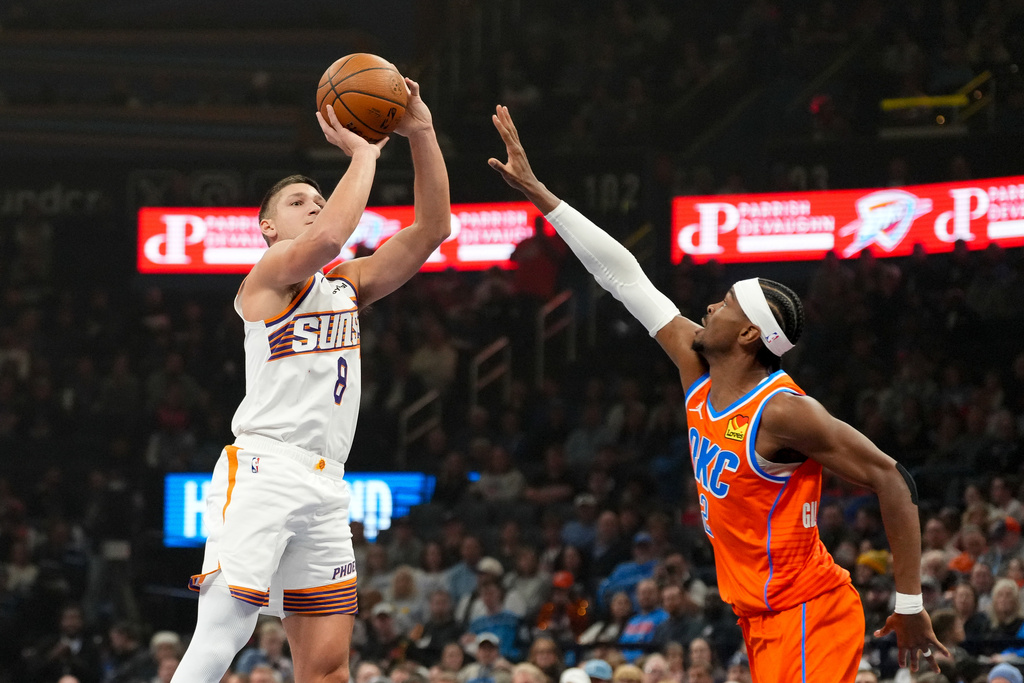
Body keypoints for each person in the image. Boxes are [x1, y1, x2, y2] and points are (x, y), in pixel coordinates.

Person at [488, 104, 945, 681]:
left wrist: (910, 603)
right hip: (757, 617)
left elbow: (891, 477)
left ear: (750, 334)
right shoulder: (695, 365)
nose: (709, 306)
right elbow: (624, 277)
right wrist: (541, 194)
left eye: (726, 304)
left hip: (810, 611)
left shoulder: (783, 412)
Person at [172, 79, 451, 683]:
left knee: (328, 670)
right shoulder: (267, 277)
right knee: (226, 629)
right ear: (268, 228)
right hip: (264, 468)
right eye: (299, 201)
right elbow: (328, 239)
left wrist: (421, 132)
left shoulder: (347, 285)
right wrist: (366, 154)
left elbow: (432, 229)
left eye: (320, 198)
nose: (316, 206)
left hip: (327, 485)